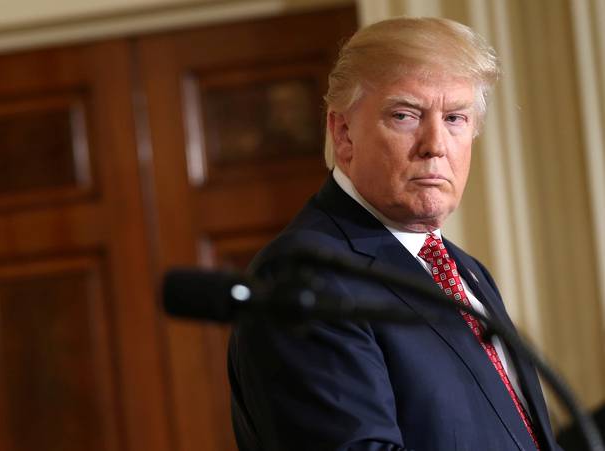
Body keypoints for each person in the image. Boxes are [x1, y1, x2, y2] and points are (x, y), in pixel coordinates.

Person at [228, 17, 561, 450]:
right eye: (405, 115)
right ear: (343, 133)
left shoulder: (467, 271)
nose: (435, 144)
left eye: (455, 118)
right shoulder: (304, 277)